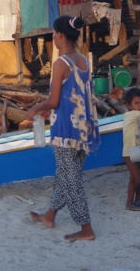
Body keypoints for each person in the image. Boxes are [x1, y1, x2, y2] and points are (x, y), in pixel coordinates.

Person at [26, 16, 101, 242]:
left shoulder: (60, 64)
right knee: (66, 175)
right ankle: (50, 215)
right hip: (83, 128)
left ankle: (86, 229)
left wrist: (35, 108)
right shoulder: (83, 60)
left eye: (54, 35)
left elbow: (54, 101)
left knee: (71, 181)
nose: (54, 39)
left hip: (66, 131)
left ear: (60, 35)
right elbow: (75, 93)